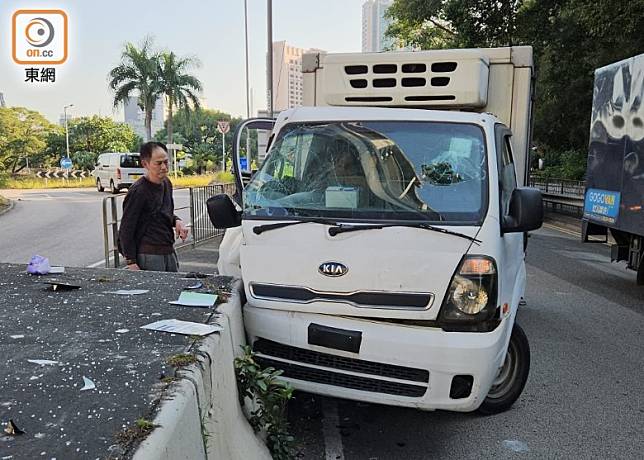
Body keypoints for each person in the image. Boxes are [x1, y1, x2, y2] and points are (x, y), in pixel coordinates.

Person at [118, 142, 189, 271]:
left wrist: (177, 221)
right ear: (145, 164)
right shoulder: (138, 191)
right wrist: (131, 261)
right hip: (149, 254)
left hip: (168, 249)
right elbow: (126, 228)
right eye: (158, 163)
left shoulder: (166, 183)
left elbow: (164, 213)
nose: (163, 167)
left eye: (166, 162)